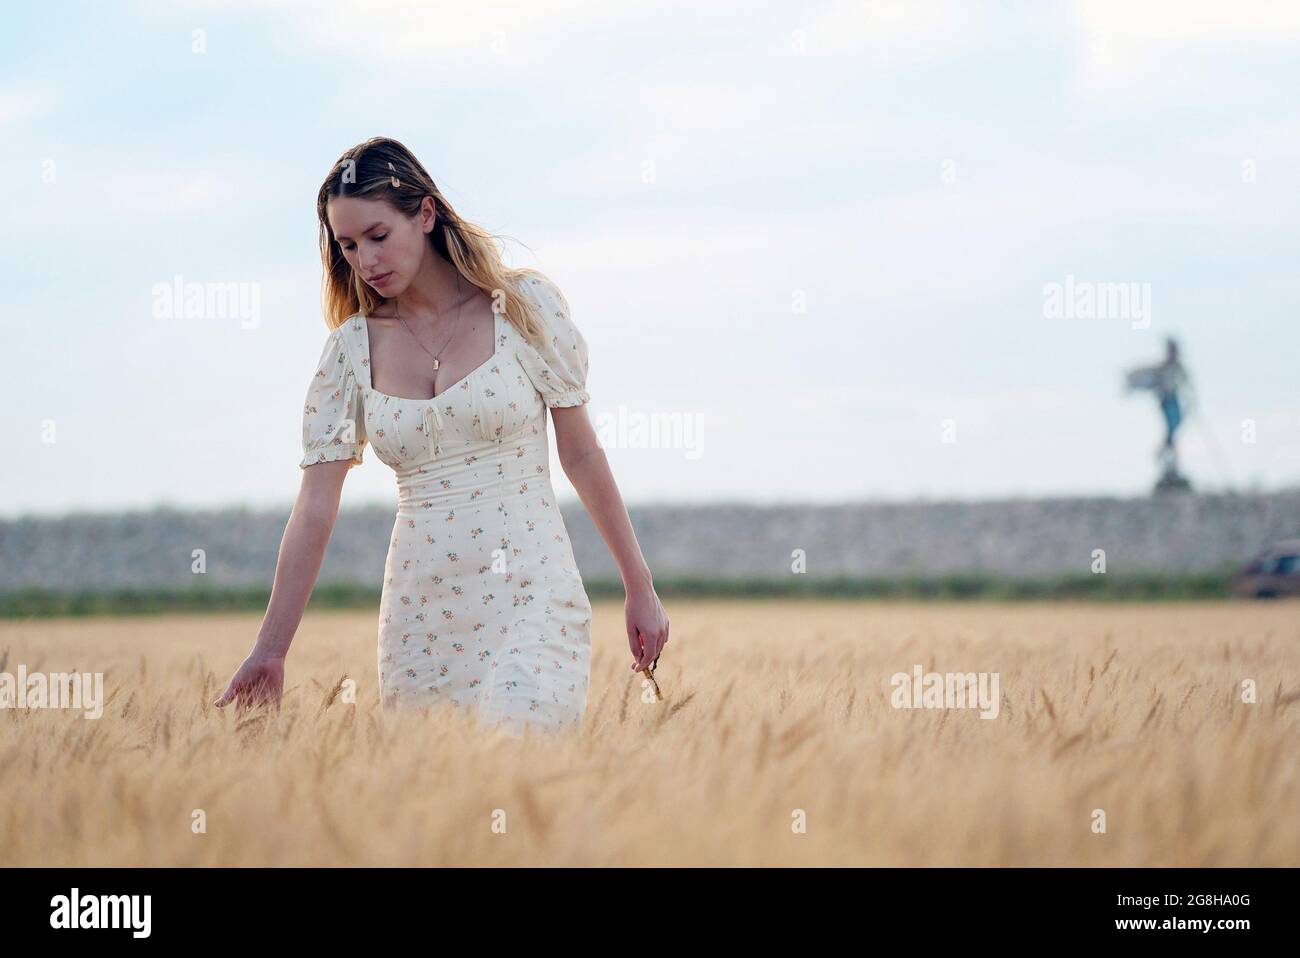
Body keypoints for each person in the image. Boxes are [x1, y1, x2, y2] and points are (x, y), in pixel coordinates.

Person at [214, 137, 670, 736]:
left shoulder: (522, 309)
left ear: (425, 214)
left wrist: (640, 586)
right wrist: (270, 650)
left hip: (532, 595)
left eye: (378, 236)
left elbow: (581, 453)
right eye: (348, 246)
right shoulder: (349, 353)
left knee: (519, 760)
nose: (365, 260)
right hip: (419, 613)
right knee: (446, 808)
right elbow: (314, 508)